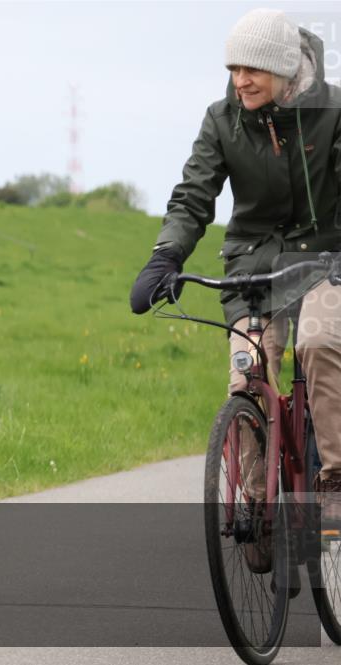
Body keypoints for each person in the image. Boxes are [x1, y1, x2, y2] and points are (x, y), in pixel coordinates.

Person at [130, 9, 341, 518]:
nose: (239, 80)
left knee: (318, 339)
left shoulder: (333, 112)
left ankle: (334, 477)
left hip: (325, 259)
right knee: (247, 376)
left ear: (285, 69)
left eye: (252, 69)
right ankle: (253, 503)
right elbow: (193, 196)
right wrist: (165, 256)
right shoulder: (222, 119)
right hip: (253, 264)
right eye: (232, 69)